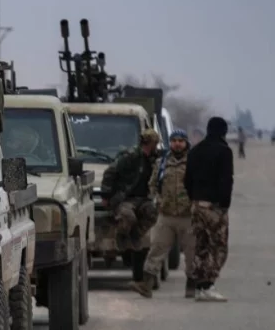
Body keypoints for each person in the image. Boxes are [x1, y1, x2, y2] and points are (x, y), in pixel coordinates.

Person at [100, 129, 161, 295]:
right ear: (148, 143)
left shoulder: (154, 159)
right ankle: (122, 238)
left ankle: (134, 236)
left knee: (153, 213)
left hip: (143, 199)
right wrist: (106, 195)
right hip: (125, 198)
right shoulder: (130, 156)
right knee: (127, 216)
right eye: (153, 144)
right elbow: (110, 172)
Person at [137, 129, 195, 298]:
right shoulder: (162, 162)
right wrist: (157, 199)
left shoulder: (194, 162)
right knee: (157, 249)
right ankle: (146, 285)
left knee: (191, 252)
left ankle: (191, 285)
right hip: (166, 215)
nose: (177, 144)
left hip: (187, 216)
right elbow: (153, 184)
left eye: (181, 141)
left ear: (186, 143)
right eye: (174, 141)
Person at [183, 116, 233, 302]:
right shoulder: (224, 151)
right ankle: (208, 285)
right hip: (214, 207)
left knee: (201, 246)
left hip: (197, 205)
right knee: (218, 247)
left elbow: (187, 180)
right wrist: (224, 205)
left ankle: (198, 286)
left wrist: (194, 199)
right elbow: (226, 180)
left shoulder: (195, 151)